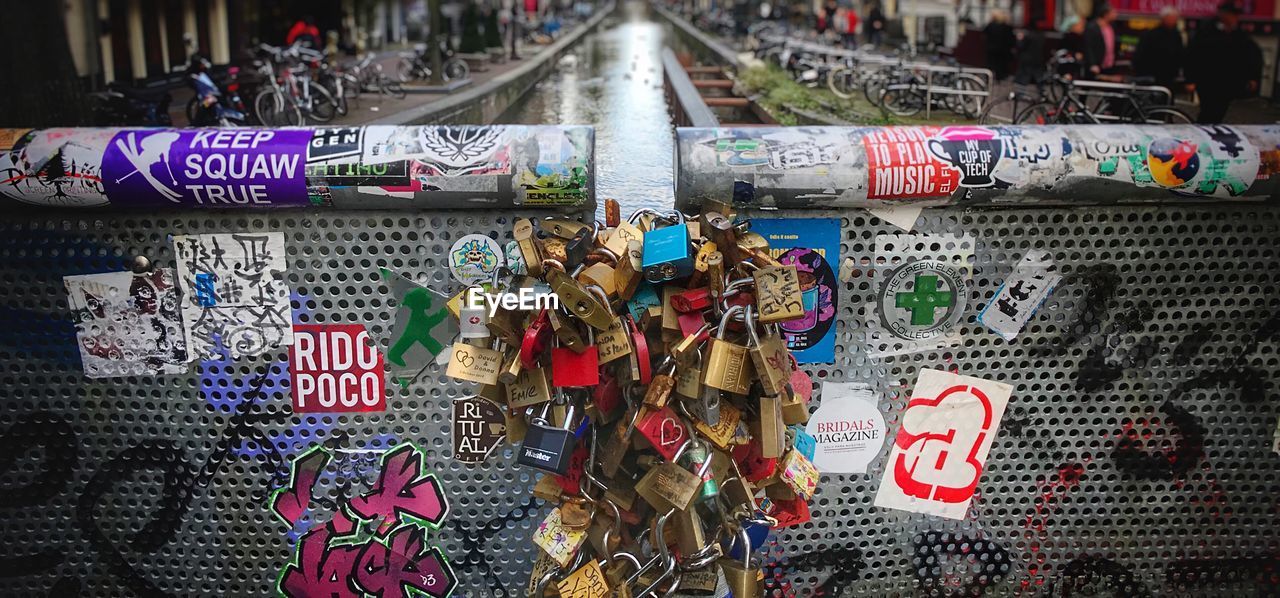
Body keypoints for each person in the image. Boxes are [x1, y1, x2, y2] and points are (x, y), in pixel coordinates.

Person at [1187, 1, 1263, 123]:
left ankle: (1213, 131)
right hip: (1208, 81)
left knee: (1219, 111)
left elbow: (1252, 56)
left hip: (1228, 82)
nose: (1234, 18)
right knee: (1208, 112)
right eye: (1232, 15)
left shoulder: (1239, 34)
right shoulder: (1206, 31)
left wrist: (1252, 76)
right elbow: (1193, 56)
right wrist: (1190, 79)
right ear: (1222, 14)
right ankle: (1203, 132)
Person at [1133, 6, 1184, 92]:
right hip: (1151, 76)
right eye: (1172, 18)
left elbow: (1179, 54)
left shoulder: (1176, 35)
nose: (1175, 21)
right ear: (1164, 18)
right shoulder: (1151, 35)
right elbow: (1141, 55)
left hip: (1170, 76)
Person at [1083, 4, 1117, 79]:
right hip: (1096, 65)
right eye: (1113, 13)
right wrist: (1092, 64)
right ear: (1106, 14)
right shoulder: (1092, 27)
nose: (1116, 15)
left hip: (1109, 65)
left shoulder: (1111, 27)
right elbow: (1088, 47)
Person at [984, 10, 1016, 80]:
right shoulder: (1007, 27)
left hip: (991, 49)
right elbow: (1011, 39)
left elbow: (984, 35)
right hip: (1002, 50)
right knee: (1000, 65)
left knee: (990, 65)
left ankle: (988, 78)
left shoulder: (990, 26)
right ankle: (1000, 78)